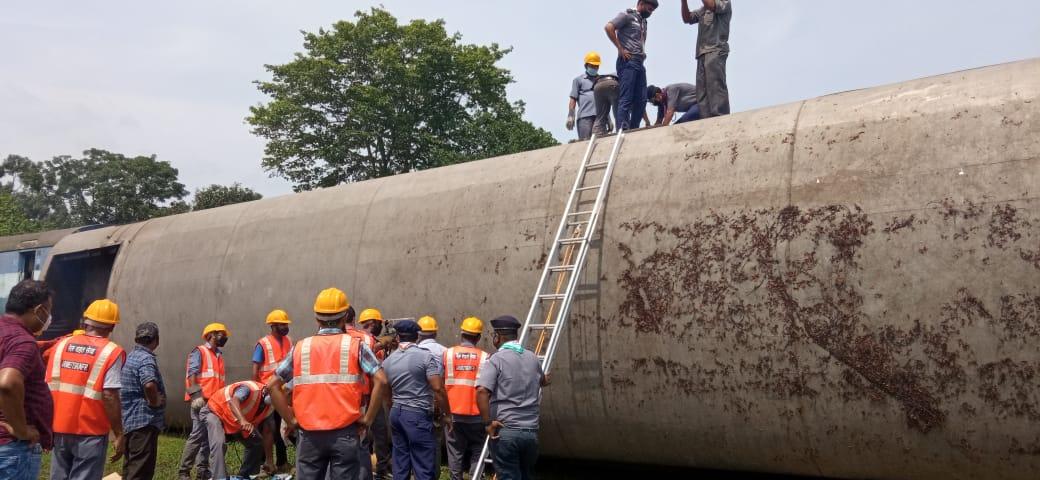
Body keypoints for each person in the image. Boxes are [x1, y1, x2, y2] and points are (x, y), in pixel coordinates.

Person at [268, 288, 388, 479]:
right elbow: (381, 380)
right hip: (345, 433)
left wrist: (290, 420)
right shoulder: (355, 346)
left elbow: (272, 385)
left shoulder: (301, 347)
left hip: (309, 435)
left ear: (317, 319)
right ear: (344, 318)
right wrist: (368, 419)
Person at [47, 299, 127, 480]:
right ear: (112, 326)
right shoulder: (111, 351)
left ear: (86, 322)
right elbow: (109, 394)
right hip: (91, 431)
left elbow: (48, 385)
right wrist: (119, 433)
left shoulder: (61, 345)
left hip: (59, 427)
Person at [476, 316, 549, 480]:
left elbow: (482, 392)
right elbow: (542, 380)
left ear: (499, 336)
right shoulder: (532, 358)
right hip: (530, 433)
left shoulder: (496, 359)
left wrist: (488, 422)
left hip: (506, 431)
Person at [382, 320, 452, 480]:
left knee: (400, 462)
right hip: (417, 415)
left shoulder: (389, 361)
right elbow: (438, 388)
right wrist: (447, 414)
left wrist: (391, 403)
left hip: (396, 413)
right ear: (417, 337)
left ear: (398, 337)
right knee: (423, 464)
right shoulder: (425, 357)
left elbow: (384, 386)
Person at [0, 280, 54, 480]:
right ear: (39, 310)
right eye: (48, 311)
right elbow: (8, 383)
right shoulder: (22, 341)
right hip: (12, 450)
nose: (49, 318)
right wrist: (21, 430)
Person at [178, 323, 229, 480]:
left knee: (208, 438)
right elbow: (192, 374)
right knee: (198, 435)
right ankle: (184, 472)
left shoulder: (218, 356)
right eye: (221, 334)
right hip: (201, 402)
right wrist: (196, 396)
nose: (224, 337)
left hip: (214, 403)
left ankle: (202, 471)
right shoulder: (199, 352)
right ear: (211, 335)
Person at [443, 317, 489, 480]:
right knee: (478, 448)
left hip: (453, 413)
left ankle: (455, 478)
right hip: (476, 414)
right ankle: (476, 476)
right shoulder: (485, 357)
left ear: (461, 334)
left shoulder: (447, 354)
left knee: (455, 450)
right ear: (478, 337)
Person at [202, 380, 275, 480]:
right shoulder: (249, 389)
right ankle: (219, 477)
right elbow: (233, 401)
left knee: (257, 442)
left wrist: (269, 461)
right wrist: (243, 420)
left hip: (233, 420)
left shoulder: (271, 405)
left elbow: (268, 432)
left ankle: (245, 476)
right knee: (219, 443)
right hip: (215, 411)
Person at [121, 322, 166, 480]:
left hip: (130, 421)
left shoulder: (130, 356)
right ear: (156, 340)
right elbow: (148, 383)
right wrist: (154, 401)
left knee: (131, 467)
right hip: (144, 423)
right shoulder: (146, 359)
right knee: (141, 470)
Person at [605, 0, 658, 131]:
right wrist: (620, 49)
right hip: (628, 61)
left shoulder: (644, 22)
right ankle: (622, 129)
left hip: (639, 63)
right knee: (626, 97)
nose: (651, 12)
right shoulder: (627, 15)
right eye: (649, 8)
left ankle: (633, 129)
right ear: (641, 3)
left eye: (653, 10)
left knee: (641, 99)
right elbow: (609, 27)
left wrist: (642, 52)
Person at [252, 309, 292, 473]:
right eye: (282, 324)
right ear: (273, 326)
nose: (285, 327)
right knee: (267, 428)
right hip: (267, 392)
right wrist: (257, 392)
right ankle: (264, 463)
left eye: (286, 324)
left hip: (283, 392)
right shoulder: (263, 343)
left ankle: (282, 462)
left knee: (281, 428)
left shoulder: (289, 341)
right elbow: (255, 369)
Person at [355, 308, 392, 480]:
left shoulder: (360, 337)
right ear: (372, 323)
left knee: (376, 433)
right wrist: (384, 342)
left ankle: (377, 467)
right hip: (368, 395)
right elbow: (374, 347)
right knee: (376, 432)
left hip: (365, 394)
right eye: (378, 323)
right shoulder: (366, 339)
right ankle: (378, 469)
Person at [681, 0, 732, 118]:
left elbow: (712, 5)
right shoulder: (703, 9)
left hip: (715, 49)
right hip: (701, 53)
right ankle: (706, 120)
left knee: (716, 87)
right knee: (702, 92)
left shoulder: (724, 2)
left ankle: (720, 117)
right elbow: (687, 18)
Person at [416, 315, 447, 470]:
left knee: (415, 440)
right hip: (437, 402)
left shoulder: (415, 351)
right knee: (435, 440)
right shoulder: (445, 351)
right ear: (435, 333)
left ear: (419, 334)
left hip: (417, 402)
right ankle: (433, 473)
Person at [567, 52, 601, 141]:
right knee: (585, 143)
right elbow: (573, 99)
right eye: (592, 66)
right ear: (586, 66)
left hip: (600, 117)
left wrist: (608, 118)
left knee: (600, 142)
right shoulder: (578, 80)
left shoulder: (601, 80)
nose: (595, 68)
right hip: (584, 117)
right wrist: (571, 115)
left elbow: (604, 100)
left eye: (596, 66)